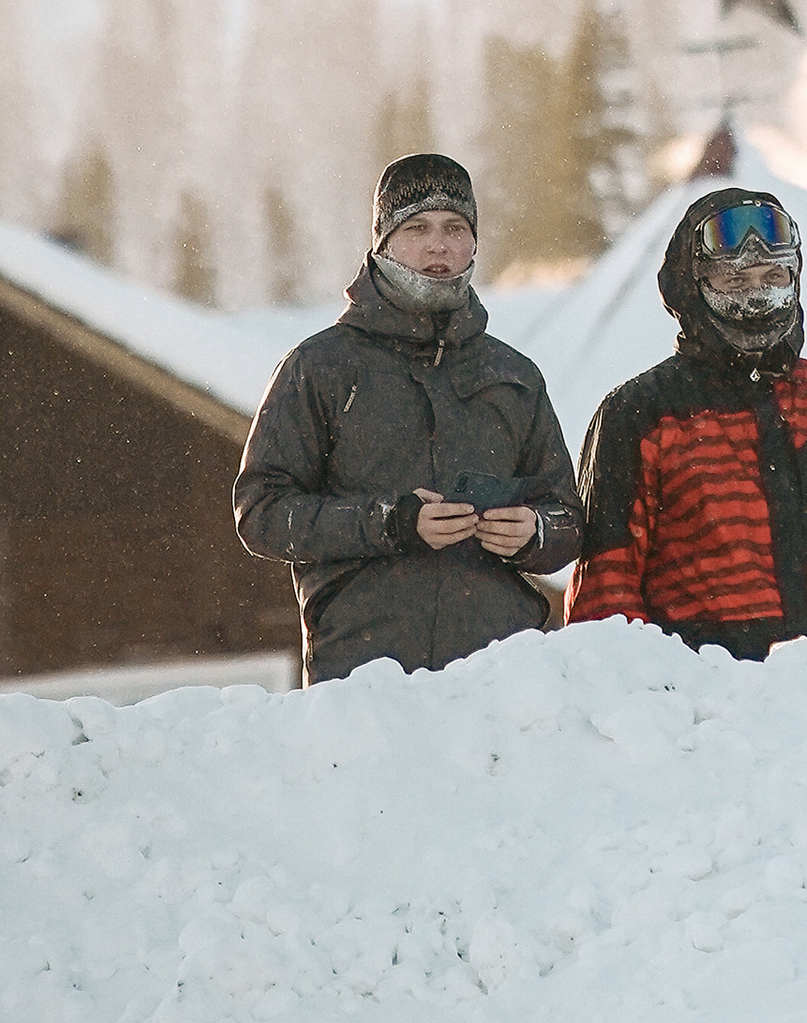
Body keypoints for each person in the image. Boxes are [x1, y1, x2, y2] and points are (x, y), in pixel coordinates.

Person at [234, 153, 583, 685]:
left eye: (454, 227)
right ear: (383, 243)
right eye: (416, 227)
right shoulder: (320, 367)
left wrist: (535, 532)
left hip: (504, 679)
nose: (438, 245)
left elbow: (569, 519)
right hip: (365, 677)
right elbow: (261, 513)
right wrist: (386, 523)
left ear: (474, 243)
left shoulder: (514, 376)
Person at [568, 183, 807, 664]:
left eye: (774, 275)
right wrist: (678, 702)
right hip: (706, 713)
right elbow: (605, 599)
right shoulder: (640, 414)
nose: (759, 294)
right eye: (735, 281)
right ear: (694, 286)